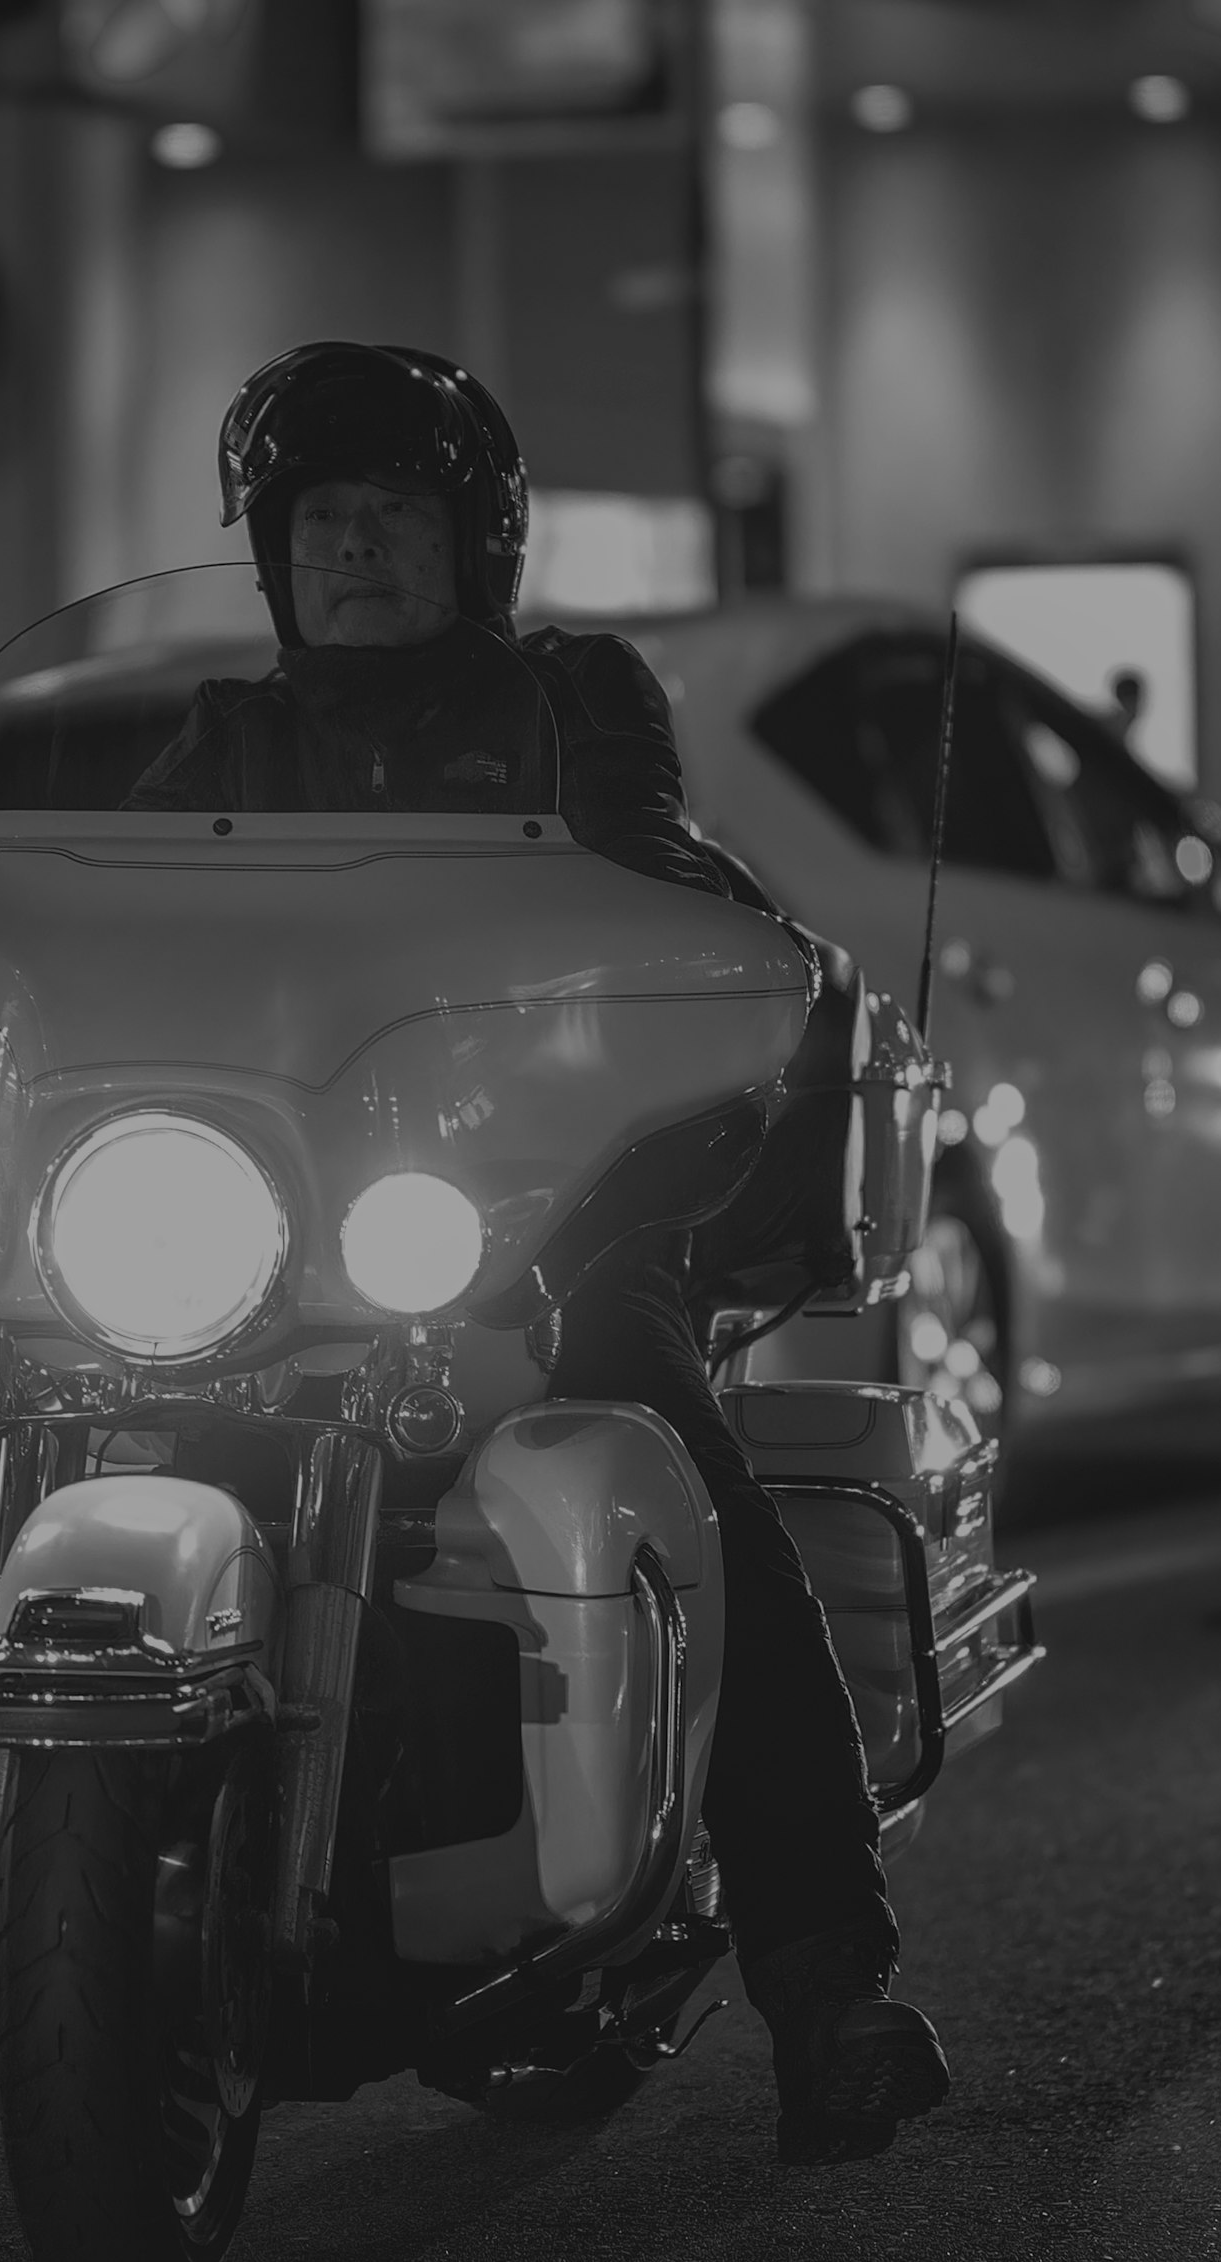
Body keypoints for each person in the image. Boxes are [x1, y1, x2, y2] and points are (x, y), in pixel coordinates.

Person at [130, 340, 952, 2164]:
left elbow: (643, 861)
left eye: (392, 516)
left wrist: (691, 927)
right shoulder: (224, 740)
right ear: (271, 553)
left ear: (473, 545)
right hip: (278, 1235)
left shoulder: (571, 699)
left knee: (666, 1446)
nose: (352, 552)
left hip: (556, 1203)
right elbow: (103, 932)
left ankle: (828, 1973)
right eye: (318, 519)